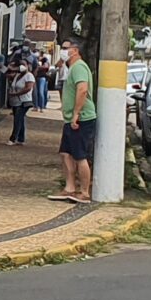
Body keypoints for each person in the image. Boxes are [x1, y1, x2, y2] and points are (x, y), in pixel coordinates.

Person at [53, 38, 96, 204]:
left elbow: (82, 89)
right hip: (71, 118)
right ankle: (69, 188)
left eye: (65, 48)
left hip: (81, 118)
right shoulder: (71, 68)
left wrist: (76, 114)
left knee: (80, 155)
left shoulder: (79, 67)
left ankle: (84, 192)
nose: (63, 51)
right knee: (66, 153)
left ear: (75, 50)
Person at [6, 60, 35, 146]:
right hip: (16, 101)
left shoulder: (29, 76)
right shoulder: (17, 75)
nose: (22, 66)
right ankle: (21, 138)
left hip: (24, 101)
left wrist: (16, 94)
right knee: (20, 119)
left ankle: (13, 138)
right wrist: (11, 67)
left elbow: (28, 88)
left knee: (18, 119)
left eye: (23, 64)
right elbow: (7, 73)